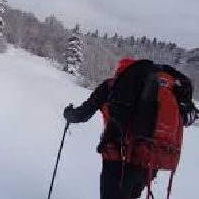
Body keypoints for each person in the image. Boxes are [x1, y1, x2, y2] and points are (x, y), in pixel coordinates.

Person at [63, 58, 198, 199]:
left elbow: (82, 114)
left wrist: (69, 114)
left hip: (116, 157)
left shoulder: (111, 86)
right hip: (148, 160)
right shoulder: (162, 92)